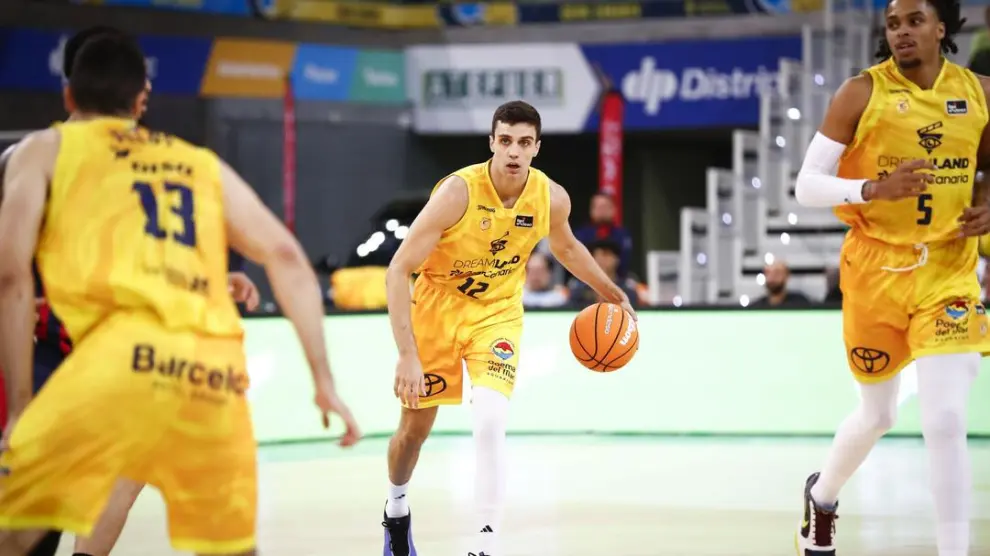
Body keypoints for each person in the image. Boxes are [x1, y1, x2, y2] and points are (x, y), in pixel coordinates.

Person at [0, 32, 360, 555]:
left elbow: (11, 279)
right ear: (142, 97)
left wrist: (19, 405)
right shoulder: (197, 162)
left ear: (68, 95)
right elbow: (285, 257)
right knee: (221, 541)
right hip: (206, 367)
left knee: (20, 530)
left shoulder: (42, 151)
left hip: (107, 358)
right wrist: (322, 379)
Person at [381, 100, 637, 556]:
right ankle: (396, 510)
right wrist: (407, 354)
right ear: (492, 143)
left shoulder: (551, 197)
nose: (514, 152)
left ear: (536, 147)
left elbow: (568, 247)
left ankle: (486, 542)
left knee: (491, 420)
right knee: (413, 432)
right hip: (436, 310)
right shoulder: (457, 193)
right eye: (505, 141)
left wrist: (609, 290)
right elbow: (398, 269)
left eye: (523, 143)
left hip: (497, 312)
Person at [792, 0, 990, 553]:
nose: (902, 32)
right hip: (876, 270)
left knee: (947, 419)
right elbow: (806, 185)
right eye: (893, 23)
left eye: (914, 21)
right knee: (877, 414)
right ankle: (824, 496)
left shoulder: (979, 93)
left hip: (948, 271)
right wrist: (873, 189)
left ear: (941, 27)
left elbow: (989, 170)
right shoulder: (861, 92)